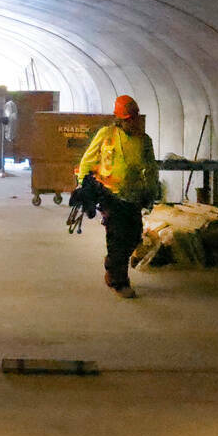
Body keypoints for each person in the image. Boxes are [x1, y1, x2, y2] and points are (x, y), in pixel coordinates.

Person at [76, 94, 159, 298]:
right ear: (120, 119)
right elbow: (87, 160)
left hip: (133, 196)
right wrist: (82, 187)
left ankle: (112, 264)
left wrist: (151, 191)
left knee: (134, 236)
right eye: (129, 118)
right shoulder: (107, 134)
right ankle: (119, 281)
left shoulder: (144, 140)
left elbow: (150, 168)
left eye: (135, 118)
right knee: (118, 238)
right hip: (109, 195)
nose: (133, 122)